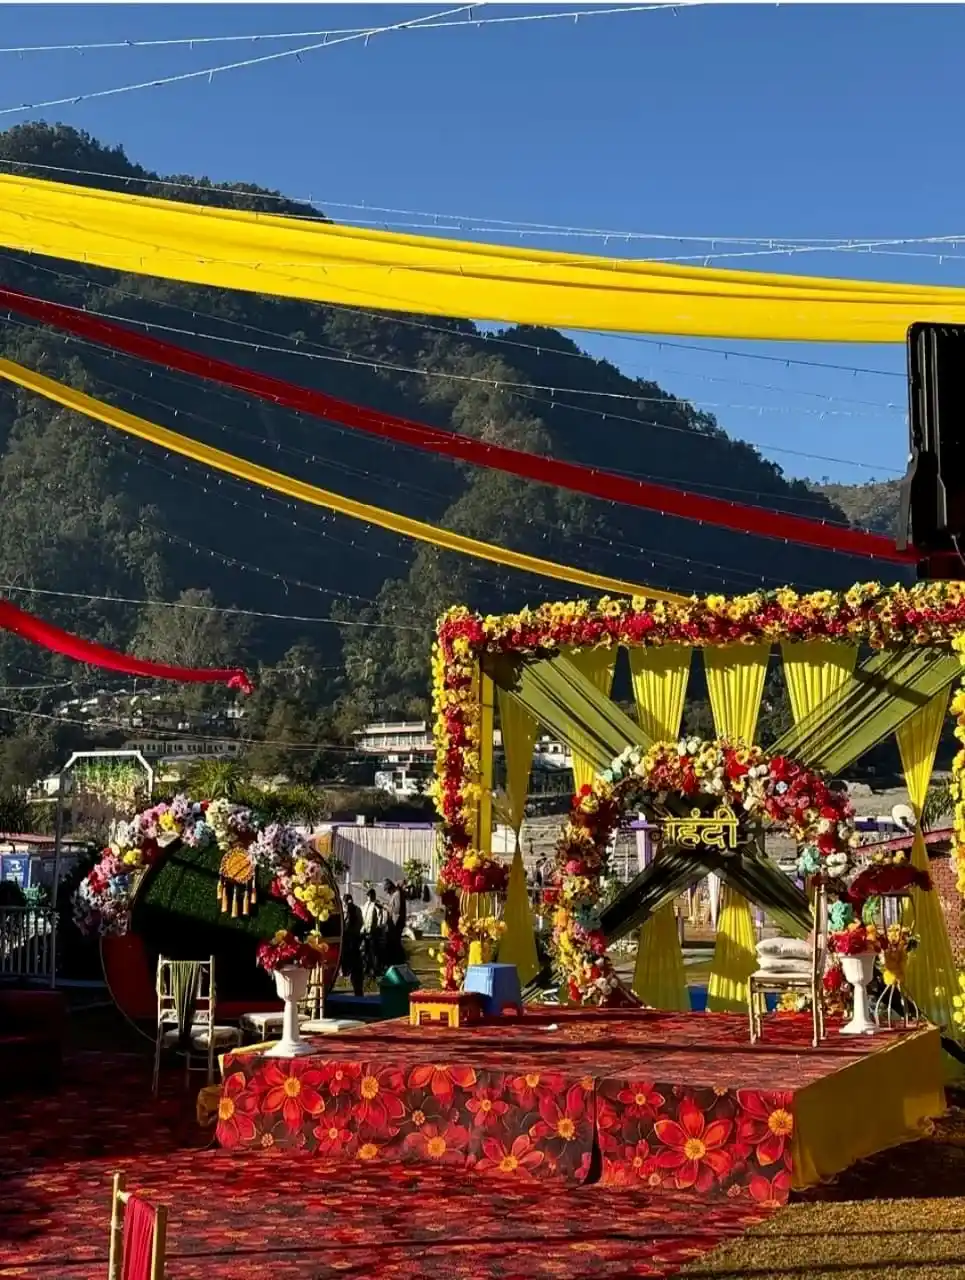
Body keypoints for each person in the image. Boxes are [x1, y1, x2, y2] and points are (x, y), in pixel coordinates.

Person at [340, 893, 364, 997]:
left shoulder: (345, 912)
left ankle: (346, 975)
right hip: (356, 940)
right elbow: (361, 922)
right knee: (356, 967)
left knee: (348, 964)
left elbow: (343, 927)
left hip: (347, 942)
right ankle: (357, 988)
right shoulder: (357, 910)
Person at [361, 887, 384, 980]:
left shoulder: (376, 905)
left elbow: (380, 916)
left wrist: (378, 927)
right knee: (366, 951)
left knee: (373, 952)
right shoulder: (366, 905)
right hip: (365, 931)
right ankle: (367, 968)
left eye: (370, 895)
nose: (369, 897)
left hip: (373, 932)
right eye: (368, 895)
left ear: (373, 896)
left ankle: (375, 969)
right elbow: (363, 917)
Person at [383, 877, 407, 967]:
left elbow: (397, 911)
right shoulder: (395, 894)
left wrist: (386, 907)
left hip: (396, 925)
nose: (387, 893)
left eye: (387, 891)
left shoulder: (397, 894)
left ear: (390, 888)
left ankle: (401, 962)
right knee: (394, 944)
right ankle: (398, 962)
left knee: (396, 944)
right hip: (394, 925)